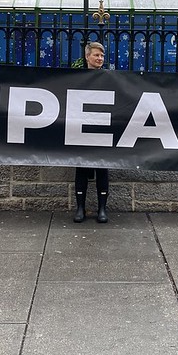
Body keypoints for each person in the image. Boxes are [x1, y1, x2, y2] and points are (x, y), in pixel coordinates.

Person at [73, 41, 111, 223]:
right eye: (96, 55)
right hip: (82, 127)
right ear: (87, 57)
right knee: (81, 167)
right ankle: (80, 208)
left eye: (102, 56)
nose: (100, 59)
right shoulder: (77, 77)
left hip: (102, 127)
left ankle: (102, 209)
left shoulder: (109, 77)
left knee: (102, 168)